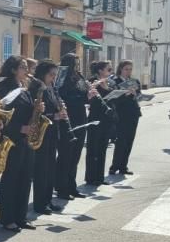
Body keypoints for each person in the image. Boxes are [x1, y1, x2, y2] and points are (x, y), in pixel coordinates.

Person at [0, 56, 40, 232]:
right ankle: (8, 218)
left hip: (26, 139)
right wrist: (20, 128)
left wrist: (38, 108)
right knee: (11, 179)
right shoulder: (5, 88)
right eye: (22, 67)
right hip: (13, 138)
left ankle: (21, 217)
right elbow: (0, 115)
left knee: (25, 177)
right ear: (13, 69)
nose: (26, 71)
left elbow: (27, 110)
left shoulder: (23, 88)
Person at [31, 61, 64, 214]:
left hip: (53, 131)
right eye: (51, 75)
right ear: (42, 74)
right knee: (41, 170)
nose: (53, 78)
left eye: (55, 75)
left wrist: (61, 111)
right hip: (42, 133)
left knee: (51, 168)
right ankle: (39, 203)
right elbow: (36, 113)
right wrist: (55, 115)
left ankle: (48, 200)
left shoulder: (52, 88)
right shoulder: (38, 88)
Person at [56, 53, 88, 200]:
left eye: (78, 63)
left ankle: (72, 186)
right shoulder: (62, 76)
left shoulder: (79, 77)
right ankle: (62, 188)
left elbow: (83, 93)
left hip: (81, 117)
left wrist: (88, 95)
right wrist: (83, 97)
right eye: (75, 63)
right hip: (68, 118)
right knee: (66, 156)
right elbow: (62, 95)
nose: (77, 66)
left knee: (75, 156)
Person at [84, 60, 115, 186]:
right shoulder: (92, 82)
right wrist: (97, 87)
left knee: (102, 148)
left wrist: (107, 88)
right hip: (95, 118)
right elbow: (90, 101)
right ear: (100, 70)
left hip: (107, 119)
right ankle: (91, 177)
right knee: (93, 148)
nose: (110, 72)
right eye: (108, 69)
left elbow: (113, 98)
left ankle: (100, 177)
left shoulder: (110, 82)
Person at [110, 60, 142, 175]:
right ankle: (114, 166)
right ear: (120, 69)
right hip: (120, 114)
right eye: (126, 69)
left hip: (133, 114)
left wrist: (136, 94)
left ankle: (123, 166)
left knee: (129, 140)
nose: (128, 72)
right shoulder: (114, 81)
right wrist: (126, 94)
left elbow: (139, 95)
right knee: (120, 141)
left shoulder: (134, 81)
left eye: (130, 69)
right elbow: (113, 99)